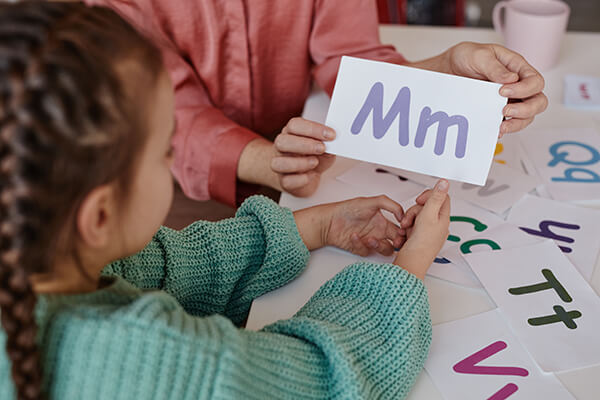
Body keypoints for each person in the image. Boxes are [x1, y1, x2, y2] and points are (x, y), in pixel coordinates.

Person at [0, 2, 452, 399]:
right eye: (164, 152)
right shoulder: (155, 359)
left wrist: (313, 226)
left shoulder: (48, 261)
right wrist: (409, 268)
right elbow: (322, 378)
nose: (172, 155)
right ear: (99, 215)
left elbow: (164, 264)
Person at [81, 0, 548, 207]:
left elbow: (353, 61)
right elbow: (169, 113)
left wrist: (445, 68)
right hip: (166, 189)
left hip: (309, 167)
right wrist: (265, 162)